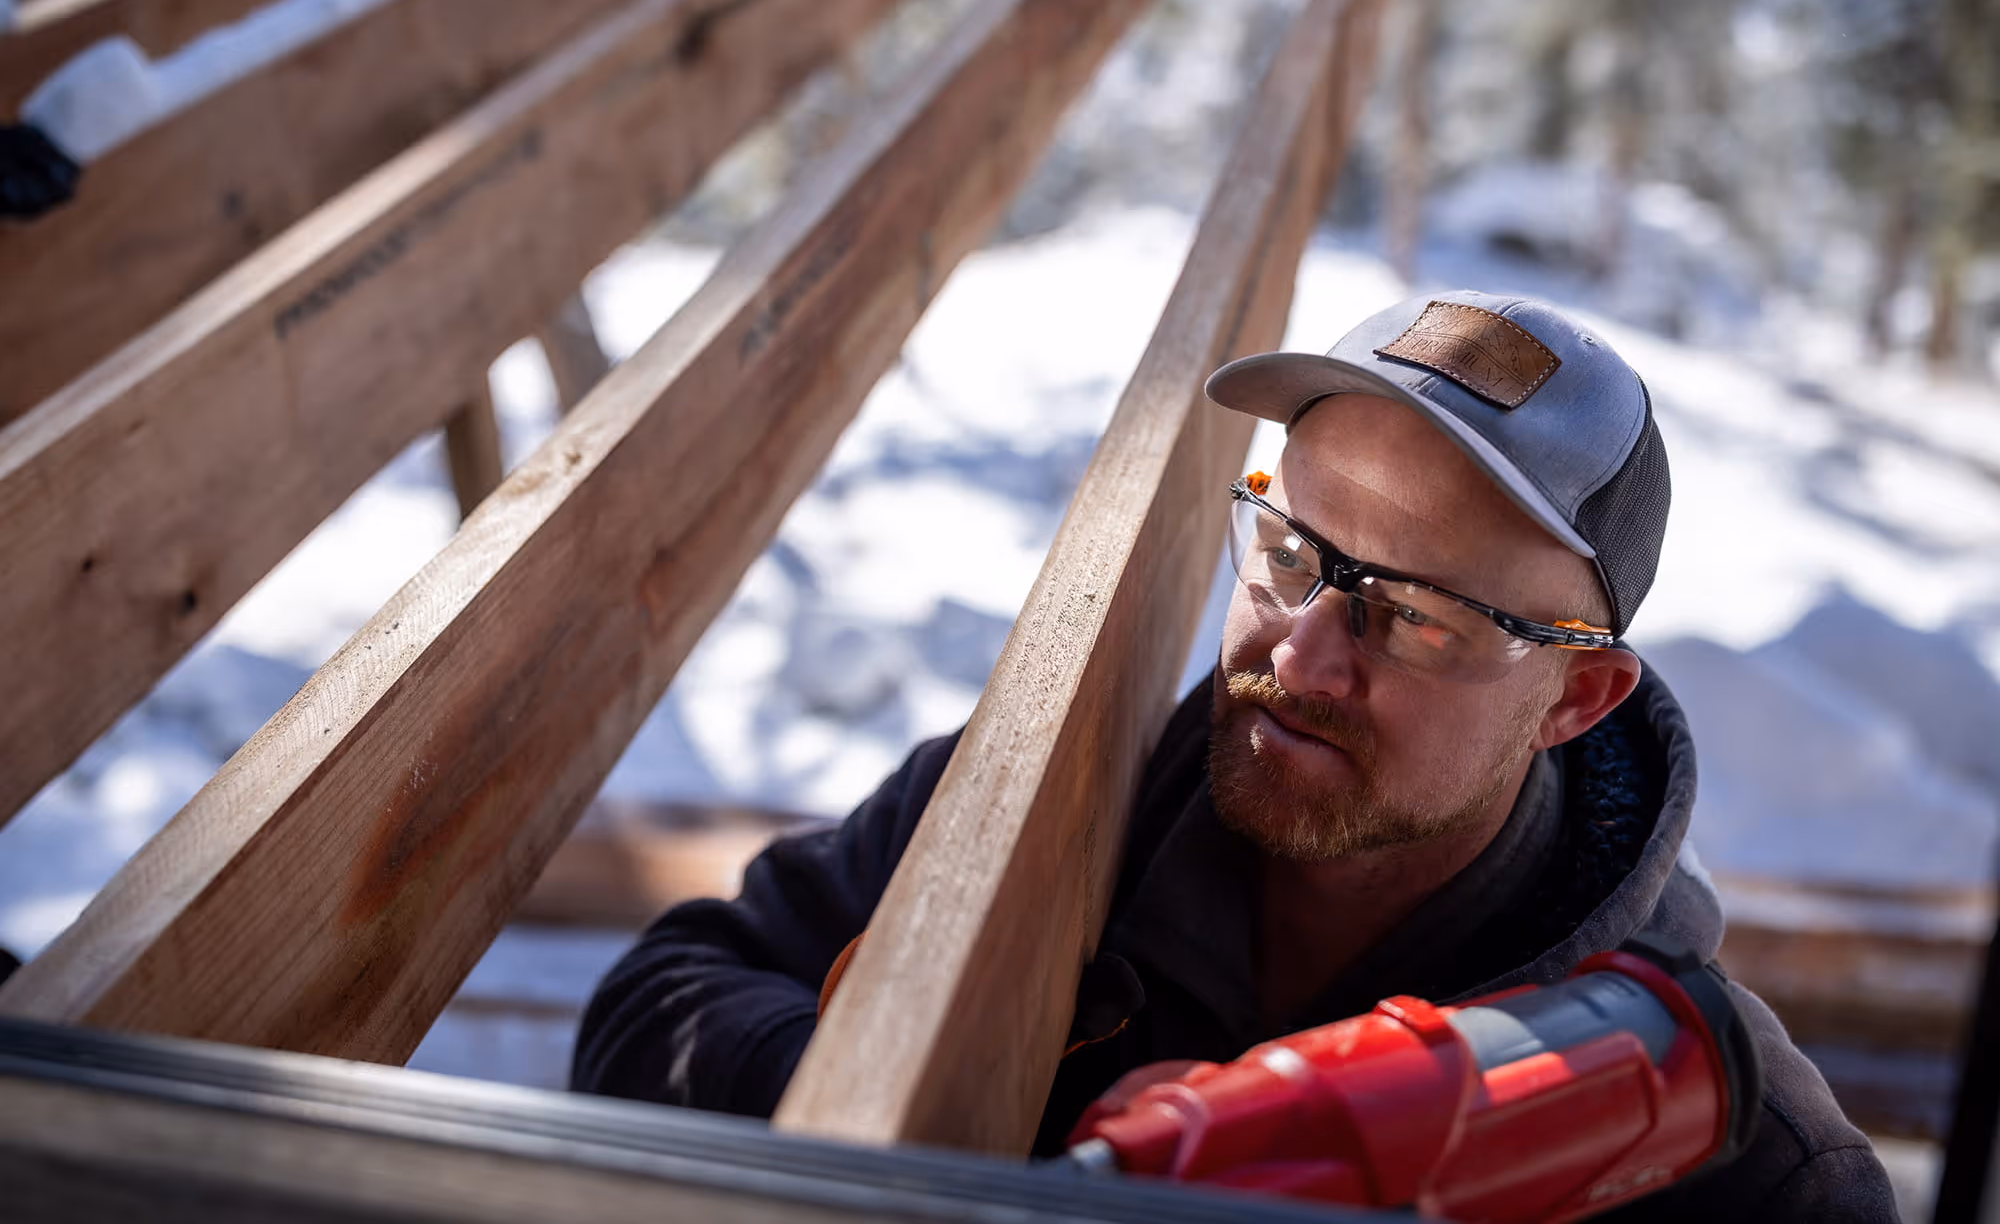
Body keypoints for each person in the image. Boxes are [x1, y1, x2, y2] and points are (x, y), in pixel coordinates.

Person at [572, 292, 1897, 1220]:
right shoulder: (1048, 815)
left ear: (1576, 696)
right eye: (1290, 554)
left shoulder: (1725, 1150)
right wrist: (984, 1138)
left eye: (1421, 615)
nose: (1305, 656)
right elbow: (653, 1010)